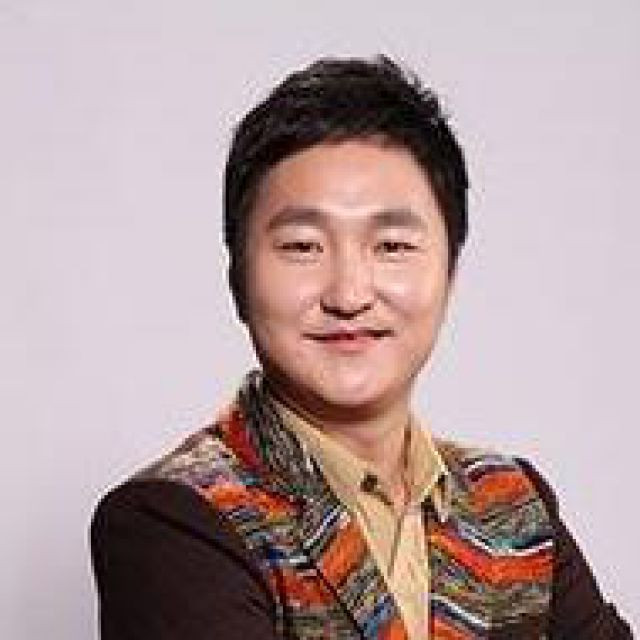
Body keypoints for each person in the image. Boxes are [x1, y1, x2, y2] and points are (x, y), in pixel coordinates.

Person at [90, 56, 633, 639]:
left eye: (392, 246)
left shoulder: (513, 506)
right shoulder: (172, 521)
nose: (349, 294)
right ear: (238, 281)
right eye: (303, 246)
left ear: (450, 275)